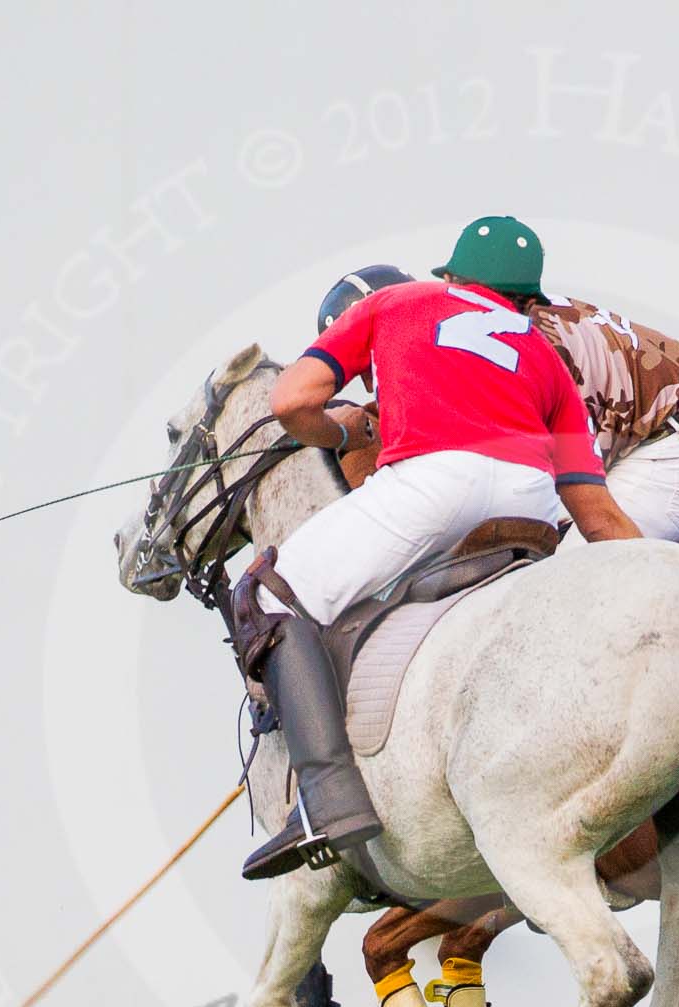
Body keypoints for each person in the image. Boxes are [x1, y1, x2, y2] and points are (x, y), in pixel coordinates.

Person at [235, 215, 644, 880]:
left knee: (266, 592)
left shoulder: (397, 301)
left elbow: (290, 401)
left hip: (434, 485)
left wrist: (341, 436)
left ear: (451, 276)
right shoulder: (544, 357)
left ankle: (325, 798)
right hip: (528, 501)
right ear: (525, 301)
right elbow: (597, 516)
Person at [312, 264, 679, 545]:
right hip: (662, 419)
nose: (371, 382)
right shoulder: (470, 322)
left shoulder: (481, 355)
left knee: (576, 580)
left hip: (674, 443)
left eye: (367, 363)